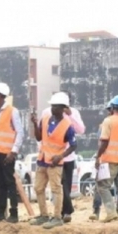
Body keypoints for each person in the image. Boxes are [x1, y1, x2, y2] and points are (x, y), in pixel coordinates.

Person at [29, 92, 77, 229]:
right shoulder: (45, 119)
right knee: (38, 188)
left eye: (55, 106)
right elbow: (39, 138)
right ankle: (43, 215)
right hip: (42, 159)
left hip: (55, 163)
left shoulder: (68, 125)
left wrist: (61, 156)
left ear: (63, 108)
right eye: (52, 105)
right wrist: (34, 124)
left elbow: (73, 145)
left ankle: (57, 217)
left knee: (56, 189)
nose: (52, 108)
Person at [40, 91, 85, 223]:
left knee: (66, 186)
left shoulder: (74, 113)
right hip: (51, 157)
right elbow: (42, 132)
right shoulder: (47, 113)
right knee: (57, 186)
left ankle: (65, 212)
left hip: (67, 156)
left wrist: (70, 116)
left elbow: (81, 130)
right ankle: (64, 211)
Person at [0, 83, 23, 223]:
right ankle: (0, 213)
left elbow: (20, 132)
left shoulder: (12, 111)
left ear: (1, 96)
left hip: (7, 154)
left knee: (9, 183)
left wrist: (13, 151)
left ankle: (14, 213)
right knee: (1, 183)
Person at [90, 102, 116, 220]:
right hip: (107, 159)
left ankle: (114, 211)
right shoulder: (104, 125)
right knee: (100, 186)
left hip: (112, 159)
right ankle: (96, 211)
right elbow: (100, 142)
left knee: (113, 186)